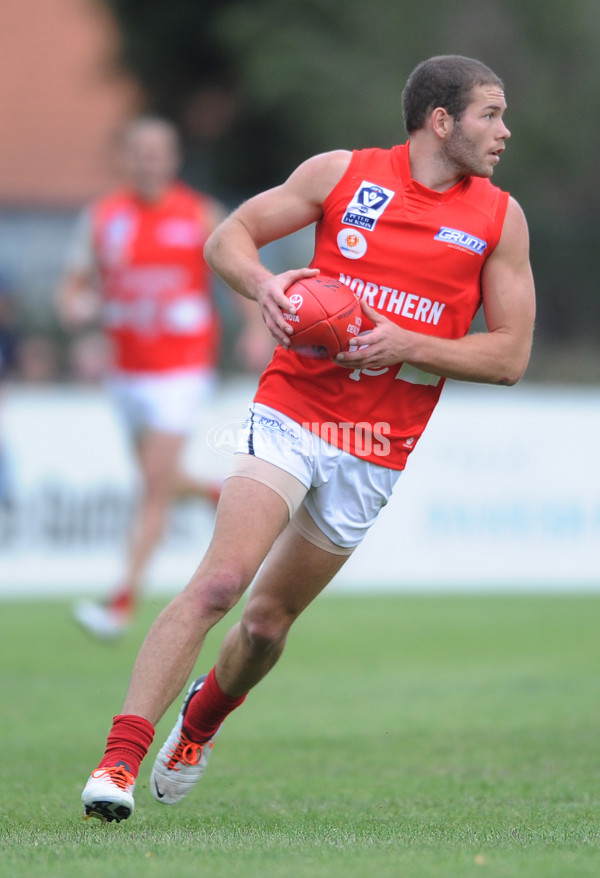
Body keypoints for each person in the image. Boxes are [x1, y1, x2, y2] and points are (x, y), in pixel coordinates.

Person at [80, 56, 535, 821]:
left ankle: (202, 722)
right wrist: (266, 287)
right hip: (293, 406)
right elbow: (229, 238)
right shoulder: (342, 175)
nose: (504, 131)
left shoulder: (499, 218)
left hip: (377, 443)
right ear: (441, 120)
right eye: (491, 114)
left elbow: (511, 354)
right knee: (222, 583)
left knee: (264, 625)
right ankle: (118, 762)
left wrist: (409, 344)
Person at [57, 116, 270, 639]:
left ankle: (120, 602)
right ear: (124, 159)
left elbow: (241, 272)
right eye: (139, 152)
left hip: (181, 369)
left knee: (151, 487)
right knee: (161, 480)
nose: (149, 161)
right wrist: (78, 310)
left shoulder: (200, 214)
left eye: (159, 152)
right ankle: (220, 495)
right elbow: (71, 290)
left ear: (173, 159)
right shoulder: (103, 218)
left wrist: (253, 329)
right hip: (125, 370)